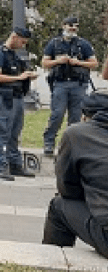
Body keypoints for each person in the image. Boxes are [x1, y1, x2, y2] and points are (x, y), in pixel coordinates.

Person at [42, 90, 108, 258]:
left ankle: (52, 261)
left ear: (86, 115)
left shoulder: (77, 134)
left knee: (58, 206)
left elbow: (67, 188)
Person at [41, 16, 99, 155]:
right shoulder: (54, 44)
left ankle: (71, 146)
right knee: (57, 114)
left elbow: (94, 63)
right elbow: (44, 63)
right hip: (60, 83)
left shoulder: (83, 44)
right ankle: (49, 142)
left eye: (75, 27)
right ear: (63, 26)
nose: (73, 29)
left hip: (78, 84)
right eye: (70, 26)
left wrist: (77, 62)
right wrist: (58, 61)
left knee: (75, 117)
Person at [0, 27, 39, 181]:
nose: (23, 45)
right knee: (2, 132)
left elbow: (18, 75)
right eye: (22, 41)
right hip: (5, 98)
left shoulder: (13, 56)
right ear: (14, 37)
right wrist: (19, 78)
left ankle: (15, 165)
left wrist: (27, 76)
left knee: (14, 133)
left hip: (17, 97)